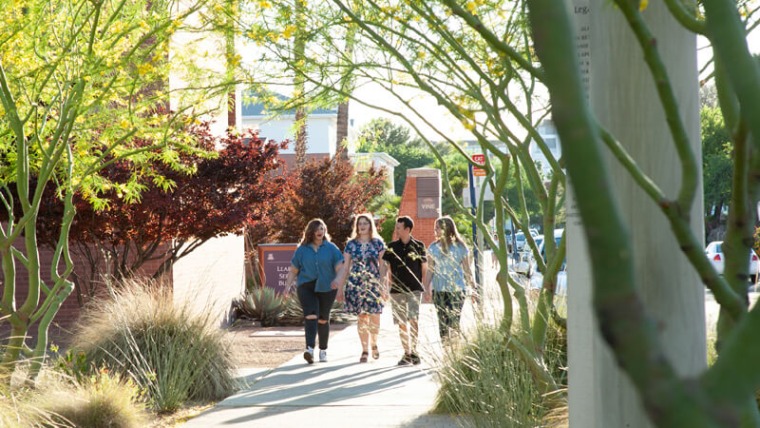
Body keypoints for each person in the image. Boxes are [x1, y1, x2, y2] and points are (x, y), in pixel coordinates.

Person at [285, 219, 344, 364]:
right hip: (306, 286)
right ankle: (309, 349)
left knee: (323, 318)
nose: (320, 231)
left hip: (327, 286)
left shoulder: (331, 248)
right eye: (317, 229)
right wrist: (287, 287)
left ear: (325, 231)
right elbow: (293, 270)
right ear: (311, 231)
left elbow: (339, 268)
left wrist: (339, 284)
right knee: (311, 315)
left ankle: (323, 350)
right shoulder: (302, 249)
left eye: (322, 229)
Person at [335, 213, 388, 363]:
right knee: (362, 317)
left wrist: (384, 286)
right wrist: (340, 288)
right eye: (360, 223)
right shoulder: (351, 245)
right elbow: (345, 268)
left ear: (371, 225)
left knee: (375, 317)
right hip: (356, 285)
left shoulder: (378, 243)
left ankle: (374, 343)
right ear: (357, 227)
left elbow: (383, 266)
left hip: (373, 285)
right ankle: (364, 349)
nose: (363, 226)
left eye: (365, 223)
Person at [382, 216, 427, 366]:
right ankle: (406, 353)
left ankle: (414, 351)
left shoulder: (419, 246)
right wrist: (384, 286)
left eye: (399, 227)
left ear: (407, 229)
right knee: (401, 322)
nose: (396, 230)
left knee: (414, 319)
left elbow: (424, 268)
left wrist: (423, 285)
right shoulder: (392, 247)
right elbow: (386, 268)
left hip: (414, 289)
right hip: (397, 290)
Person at [423, 216, 475, 343]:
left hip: (457, 290)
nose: (435, 231)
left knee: (454, 321)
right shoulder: (433, 248)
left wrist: (473, 288)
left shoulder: (460, 247)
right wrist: (426, 288)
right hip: (439, 291)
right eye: (435, 228)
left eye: (438, 228)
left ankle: (456, 351)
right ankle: (446, 351)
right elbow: (430, 270)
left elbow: (467, 270)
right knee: (443, 323)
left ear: (446, 229)